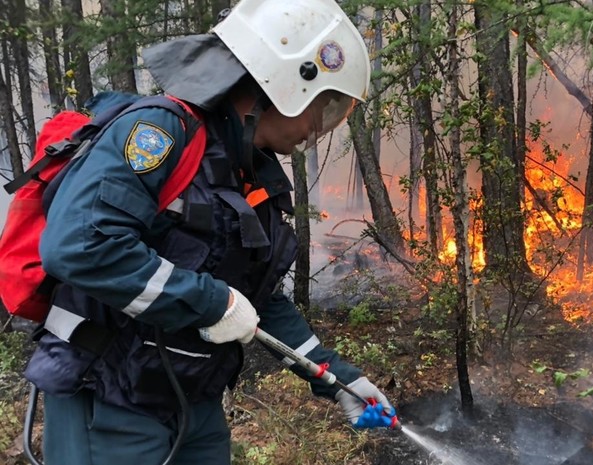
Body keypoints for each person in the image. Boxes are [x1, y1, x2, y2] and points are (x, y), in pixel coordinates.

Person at [22, 0, 395, 463]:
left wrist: (337, 379)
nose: (320, 126)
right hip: (110, 398)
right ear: (281, 84)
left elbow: (254, 299)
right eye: (324, 106)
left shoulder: (249, 172)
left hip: (192, 402)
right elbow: (80, 246)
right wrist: (211, 301)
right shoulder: (158, 133)